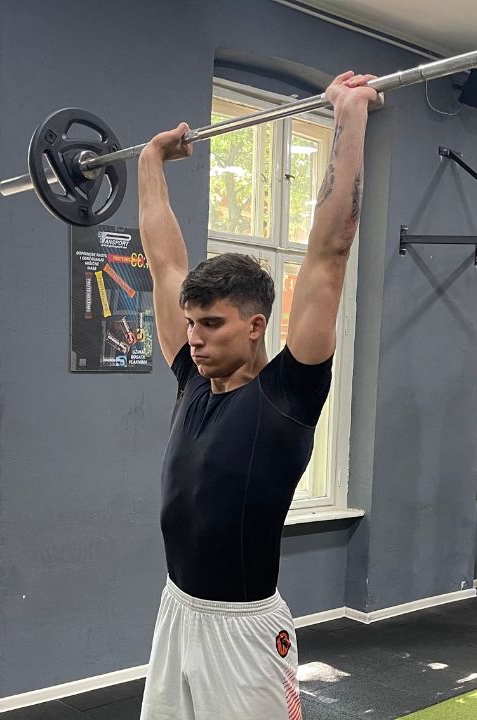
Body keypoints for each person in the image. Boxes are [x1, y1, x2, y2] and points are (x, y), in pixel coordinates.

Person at [135, 71, 379, 720]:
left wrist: (348, 115)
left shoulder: (288, 394)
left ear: (255, 324)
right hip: (176, 610)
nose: (195, 339)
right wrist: (150, 161)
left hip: (243, 633)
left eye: (210, 325)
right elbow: (163, 260)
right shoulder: (191, 376)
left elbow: (330, 249)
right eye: (191, 324)